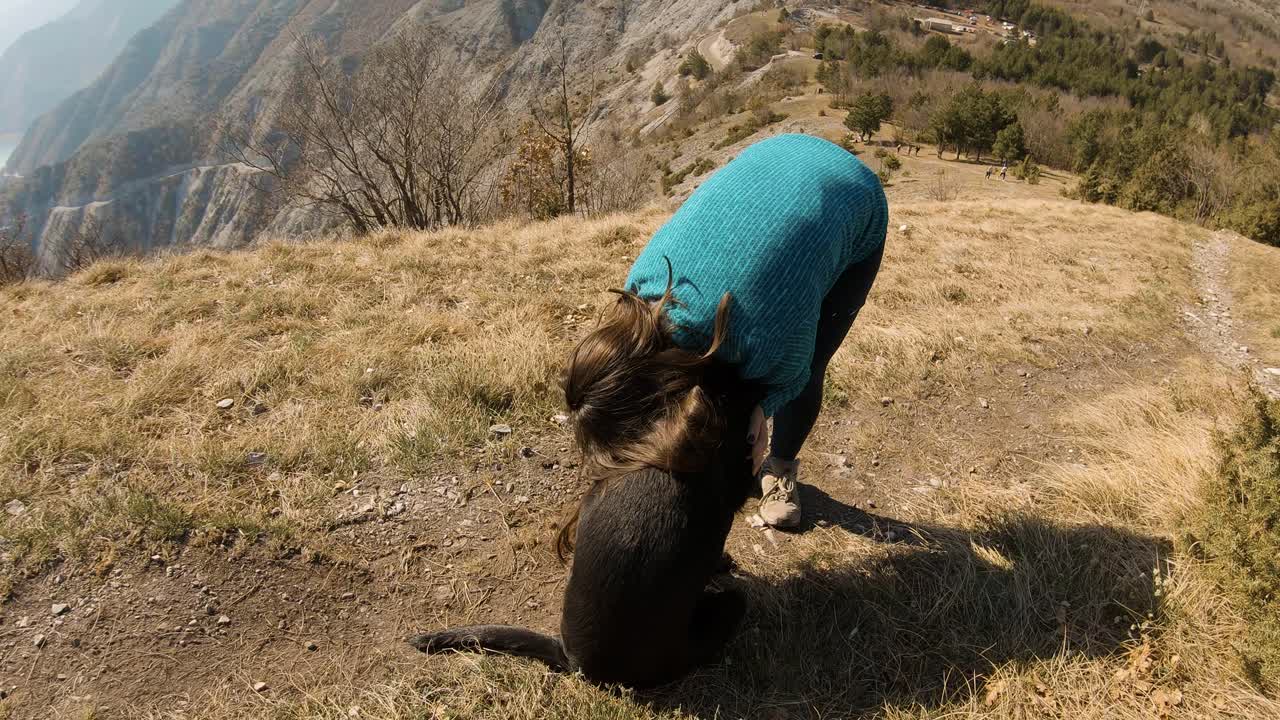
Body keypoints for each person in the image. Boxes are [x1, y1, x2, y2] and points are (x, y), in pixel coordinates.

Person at [563, 134, 888, 530]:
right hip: (776, 154)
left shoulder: (768, 340)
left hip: (854, 195)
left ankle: (781, 469)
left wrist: (761, 409)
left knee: (814, 364)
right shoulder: (640, 290)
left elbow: (794, 375)